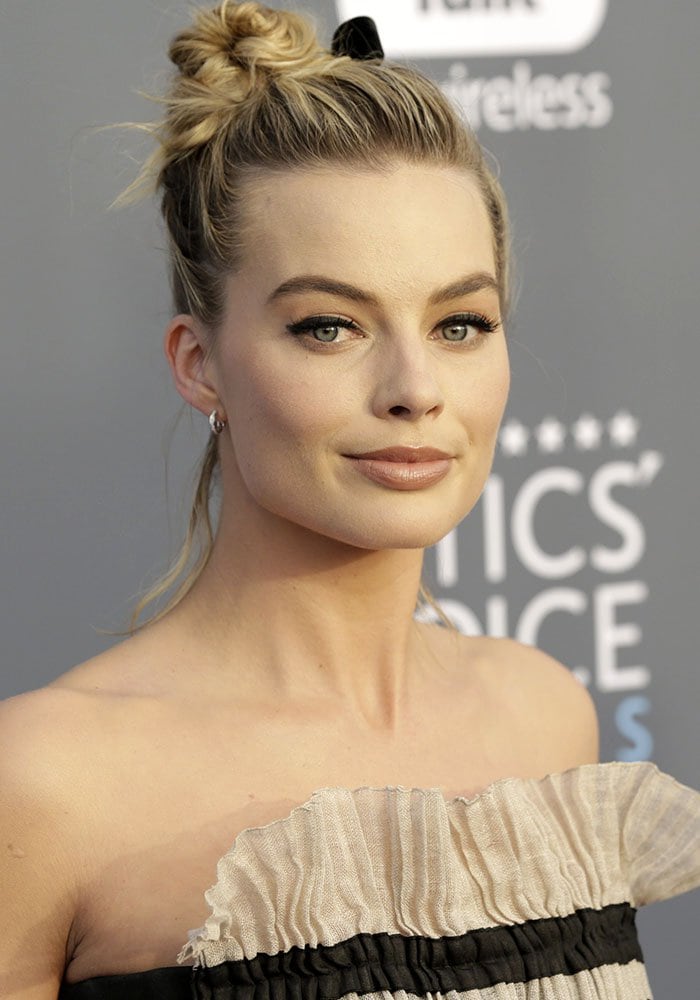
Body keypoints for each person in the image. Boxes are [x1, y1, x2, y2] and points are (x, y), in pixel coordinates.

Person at [1, 3, 698, 998]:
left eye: (460, 322)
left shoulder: (543, 719)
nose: (414, 387)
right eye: (329, 326)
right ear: (199, 365)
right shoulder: (45, 786)